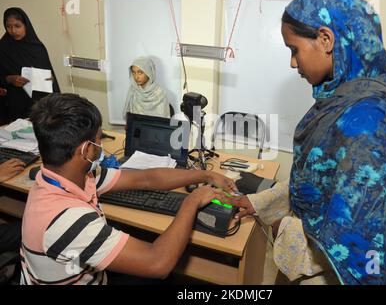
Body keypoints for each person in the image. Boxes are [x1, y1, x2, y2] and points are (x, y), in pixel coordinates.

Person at [229, 0, 386, 285]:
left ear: (325, 39)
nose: (293, 63)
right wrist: (258, 203)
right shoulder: (343, 101)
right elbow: (318, 179)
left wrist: (285, 227)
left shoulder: (366, 122)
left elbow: (358, 243)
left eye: (294, 49)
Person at [21, 93, 236, 285]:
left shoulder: (64, 177)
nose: (101, 144)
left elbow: (146, 178)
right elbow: (158, 263)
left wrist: (205, 174)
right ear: (86, 150)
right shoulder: (66, 220)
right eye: (99, 138)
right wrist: (192, 201)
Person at [0, 7, 60, 123]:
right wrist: (9, 79)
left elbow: (49, 75)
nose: (13, 30)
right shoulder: (2, 48)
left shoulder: (37, 47)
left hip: (38, 104)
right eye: (9, 26)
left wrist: (50, 80)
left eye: (17, 26)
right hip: (12, 104)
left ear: (26, 25)